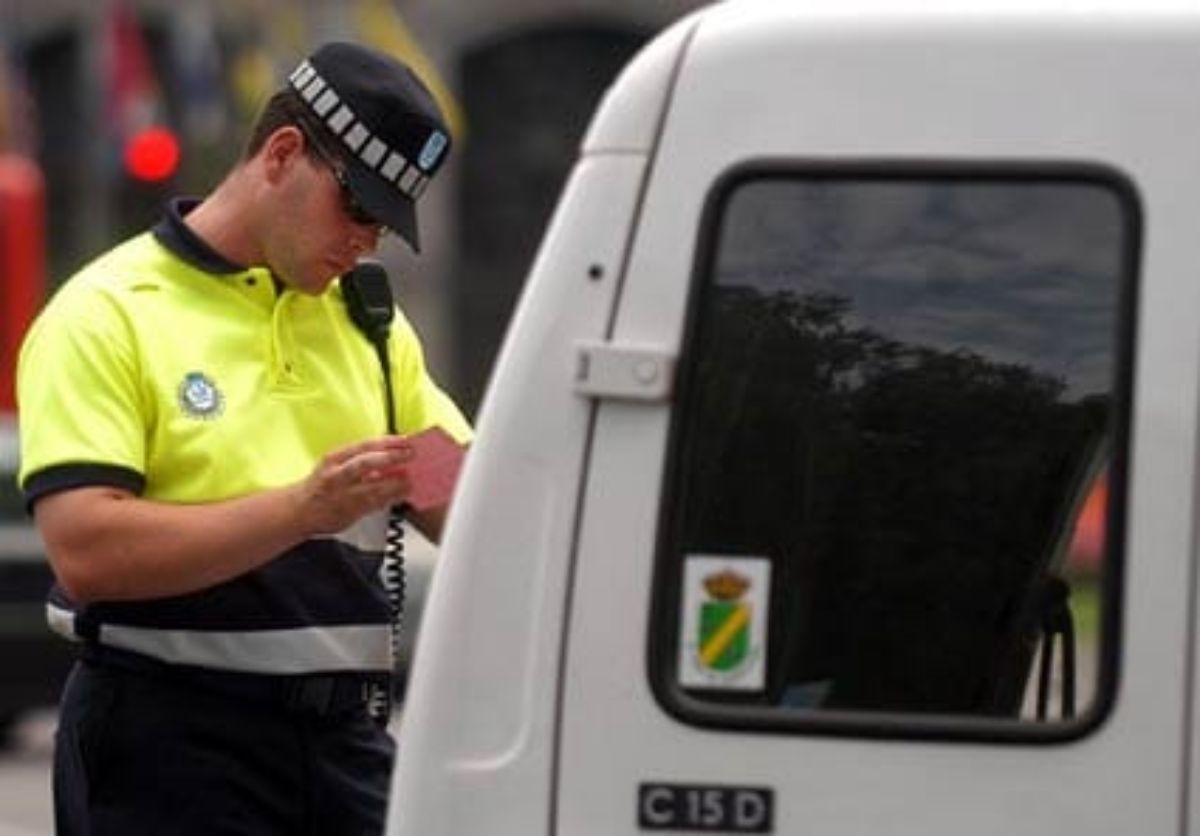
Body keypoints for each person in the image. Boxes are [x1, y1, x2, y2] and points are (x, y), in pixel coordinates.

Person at [16, 42, 471, 835]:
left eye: (387, 225)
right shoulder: (109, 313)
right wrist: (300, 509)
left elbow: (458, 502)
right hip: (170, 749)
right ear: (283, 154)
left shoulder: (366, 324)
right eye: (357, 207)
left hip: (343, 745)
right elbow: (87, 553)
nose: (366, 242)